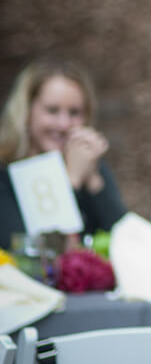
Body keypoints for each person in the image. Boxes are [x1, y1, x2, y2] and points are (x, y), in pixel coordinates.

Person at [0, 58, 126, 250]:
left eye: (74, 112)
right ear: (26, 112)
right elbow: (32, 253)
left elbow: (127, 242)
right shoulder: (5, 172)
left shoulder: (89, 164)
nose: (64, 124)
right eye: (52, 110)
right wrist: (71, 180)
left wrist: (94, 181)